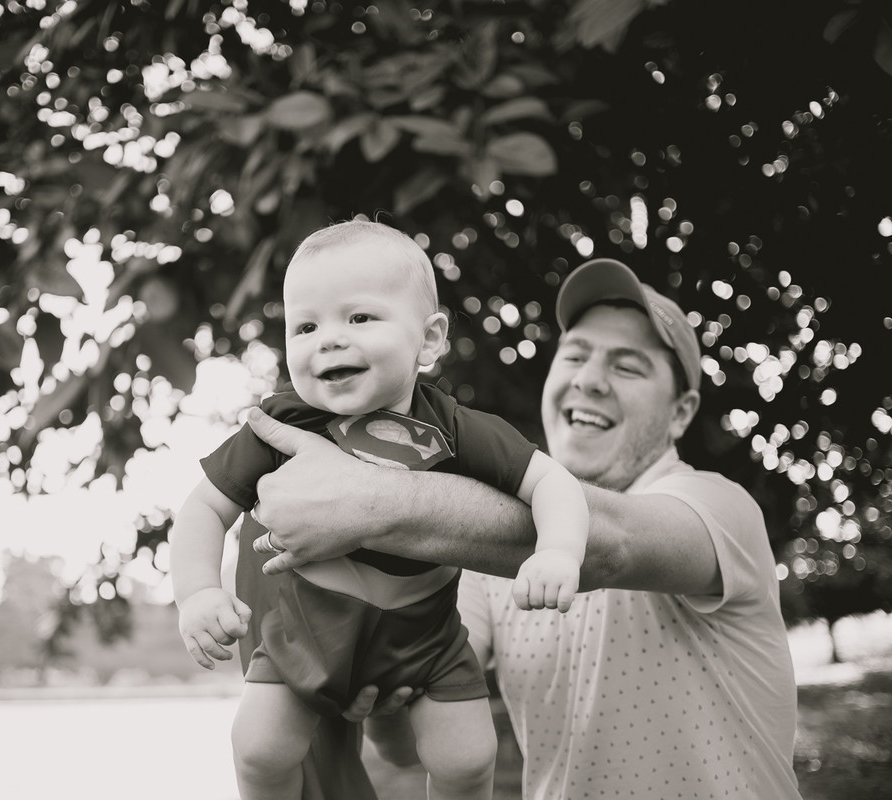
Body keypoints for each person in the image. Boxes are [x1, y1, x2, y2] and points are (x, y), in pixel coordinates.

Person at [243, 257, 803, 799]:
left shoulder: (719, 506)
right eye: (574, 355)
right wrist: (380, 694)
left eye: (627, 366)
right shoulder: (477, 557)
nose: (589, 380)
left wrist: (366, 500)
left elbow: (612, 546)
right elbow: (407, 745)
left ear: (681, 412)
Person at [168, 219, 589, 800]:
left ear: (430, 340)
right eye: (306, 326)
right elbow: (203, 509)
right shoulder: (279, 425)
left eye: (360, 317)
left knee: (468, 759)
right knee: (260, 749)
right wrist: (196, 593)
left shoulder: (454, 427)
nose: (329, 340)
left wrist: (559, 551)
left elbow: (551, 482)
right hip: (304, 637)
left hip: (426, 644)